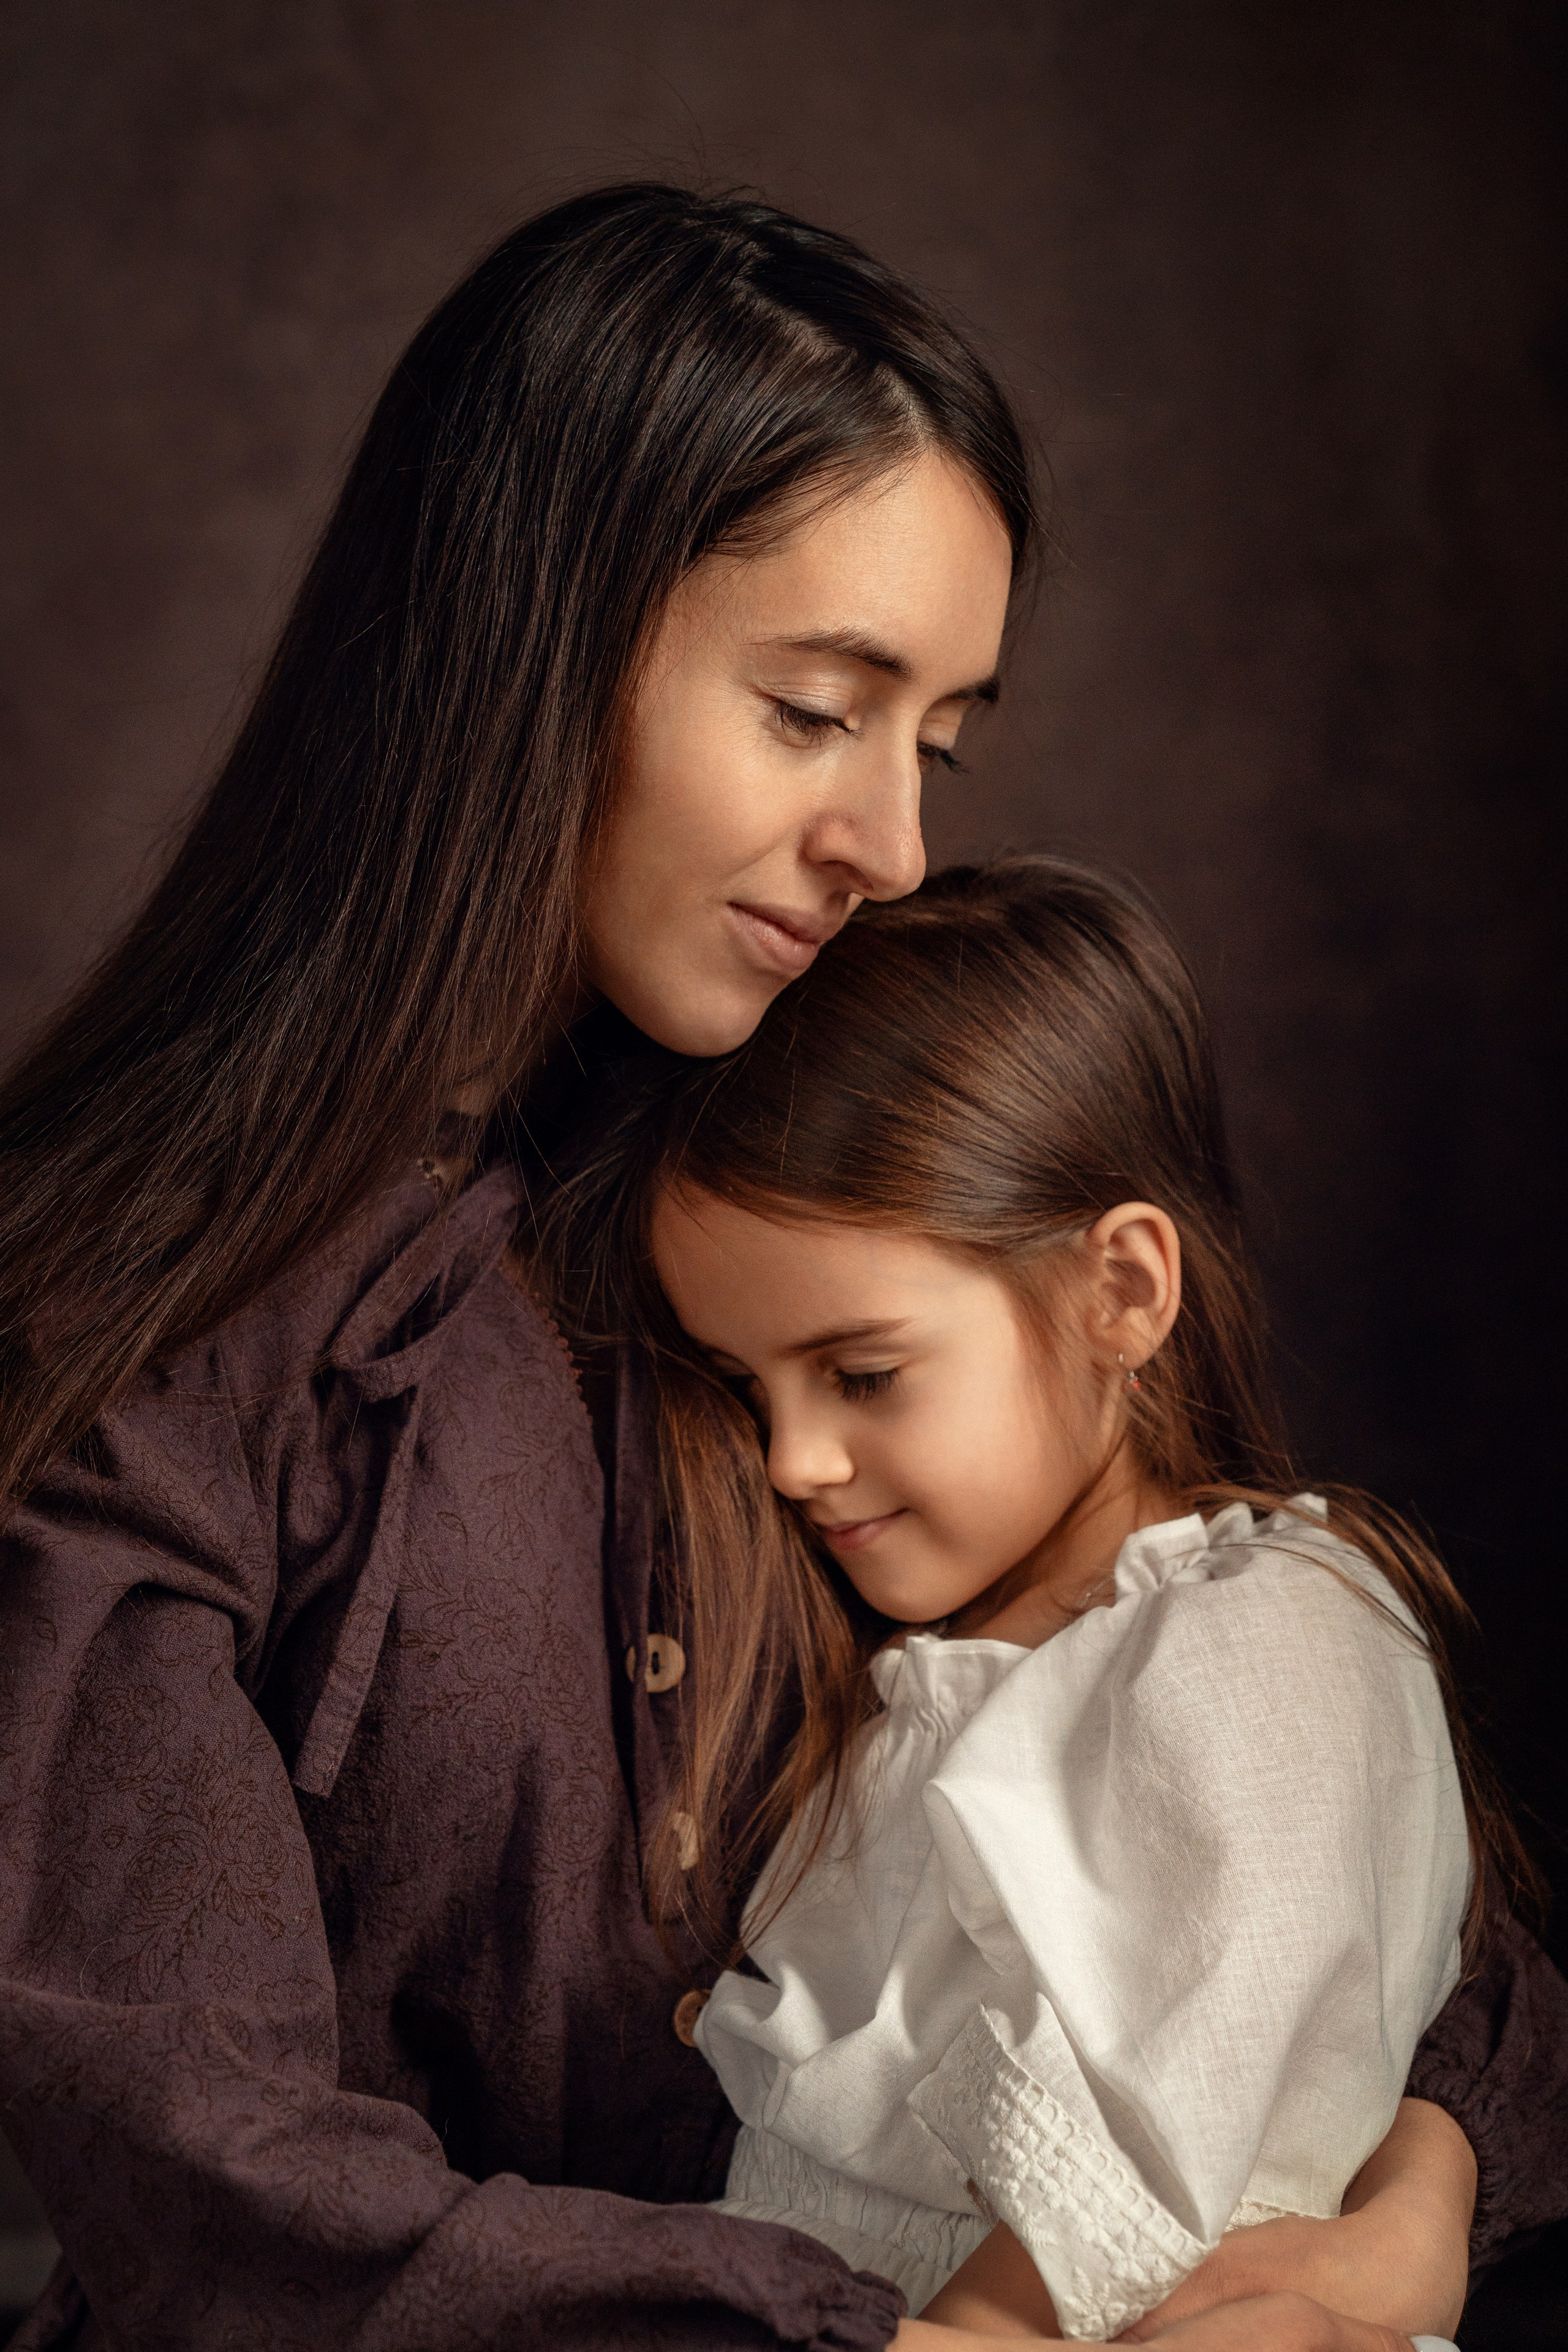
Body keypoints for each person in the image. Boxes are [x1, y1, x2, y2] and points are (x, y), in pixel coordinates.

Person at [0, 183, 1563, 2352]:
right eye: (819, 711)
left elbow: (1274, 1775)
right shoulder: (146, 1318)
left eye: (938, 741)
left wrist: (1422, 2181)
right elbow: (189, 2153)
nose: (895, 849)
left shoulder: (798, 1169)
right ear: (526, 647)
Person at [541, 856, 1523, 2347]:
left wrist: (964, 2343)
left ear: (1117, 1293)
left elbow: (1158, 2100)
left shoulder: (1271, 1633)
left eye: (861, 1374)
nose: (792, 1461)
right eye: (749, 1387)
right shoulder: (917, 1665)